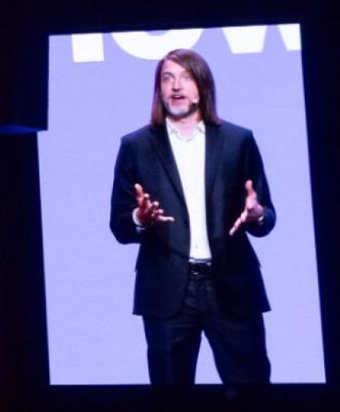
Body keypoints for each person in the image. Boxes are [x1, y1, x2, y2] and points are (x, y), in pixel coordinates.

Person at [110, 48, 275, 386]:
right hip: (167, 291)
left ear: (202, 85)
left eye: (185, 77)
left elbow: (266, 216)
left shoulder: (237, 141)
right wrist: (140, 218)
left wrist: (257, 215)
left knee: (253, 394)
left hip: (231, 284)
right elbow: (119, 226)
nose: (175, 86)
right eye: (167, 78)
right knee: (171, 404)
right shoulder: (135, 146)